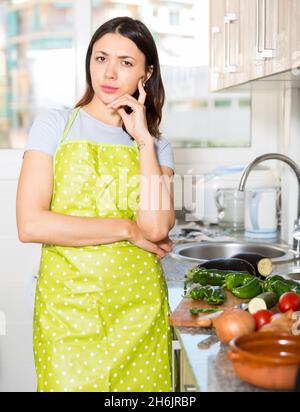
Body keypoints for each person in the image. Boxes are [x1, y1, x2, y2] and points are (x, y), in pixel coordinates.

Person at [16, 16, 175, 392]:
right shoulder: (55, 125)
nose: (109, 73)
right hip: (69, 311)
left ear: (146, 72)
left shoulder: (155, 145)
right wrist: (125, 229)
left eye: (125, 62)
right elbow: (31, 225)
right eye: (100, 58)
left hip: (139, 311)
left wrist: (143, 142)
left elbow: (155, 229)